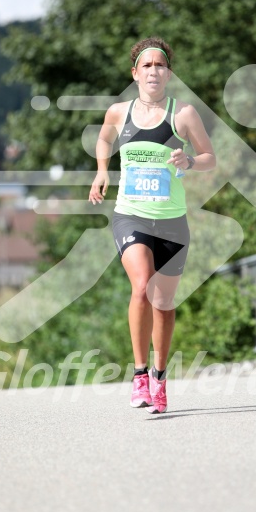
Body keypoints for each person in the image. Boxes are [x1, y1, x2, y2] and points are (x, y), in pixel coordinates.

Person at [89, 37, 215, 413]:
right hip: (131, 215)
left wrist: (189, 161)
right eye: (147, 65)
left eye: (160, 65)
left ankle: (160, 377)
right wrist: (101, 171)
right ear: (135, 73)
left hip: (173, 222)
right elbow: (103, 138)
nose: (154, 71)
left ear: (169, 73)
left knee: (163, 302)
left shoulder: (183, 114)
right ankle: (139, 374)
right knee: (141, 287)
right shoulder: (118, 112)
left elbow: (210, 158)